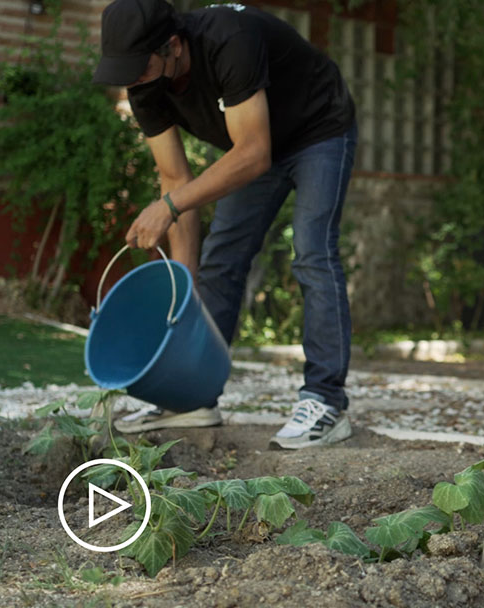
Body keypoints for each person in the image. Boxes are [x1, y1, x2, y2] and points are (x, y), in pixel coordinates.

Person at [93, 0, 357, 450]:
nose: (131, 76)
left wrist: (168, 206)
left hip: (319, 129)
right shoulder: (146, 85)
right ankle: (193, 396)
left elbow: (252, 153)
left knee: (313, 252)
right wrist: (183, 284)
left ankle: (325, 401)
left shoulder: (228, 39)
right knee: (218, 263)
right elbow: (175, 179)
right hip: (254, 147)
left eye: (138, 65)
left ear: (173, 46)